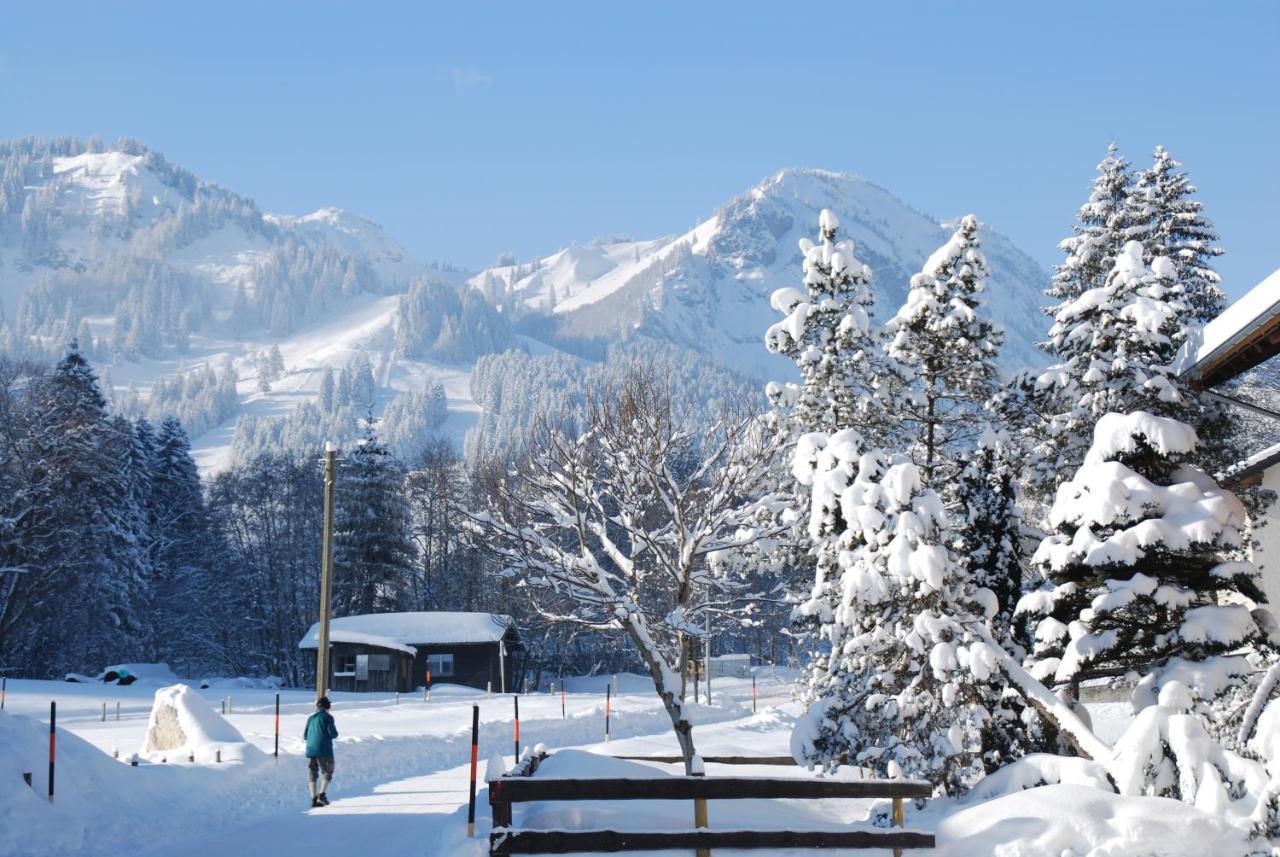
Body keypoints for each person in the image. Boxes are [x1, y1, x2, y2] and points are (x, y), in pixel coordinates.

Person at [304, 696, 339, 808]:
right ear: (327, 706)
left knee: (313, 773)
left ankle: (314, 799)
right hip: (324, 749)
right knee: (328, 771)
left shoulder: (310, 718)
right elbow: (333, 734)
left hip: (310, 749)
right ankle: (322, 795)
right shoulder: (328, 717)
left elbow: (305, 735)